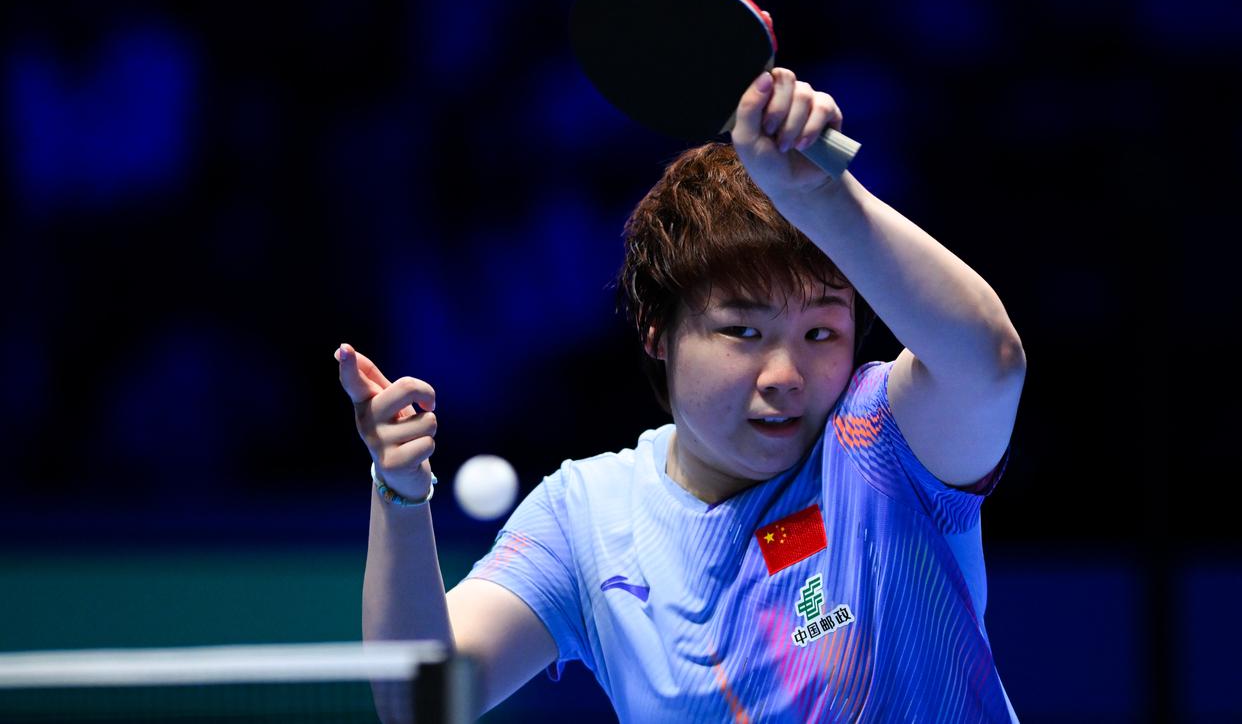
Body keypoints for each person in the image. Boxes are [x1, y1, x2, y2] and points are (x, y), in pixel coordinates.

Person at [336, 68, 1025, 722]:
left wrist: (823, 198)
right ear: (657, 331)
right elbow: (422, 703)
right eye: (743, 331)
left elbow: (990, 362)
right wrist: (400, 494)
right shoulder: (590, 519)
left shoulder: (880, 449)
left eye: (820, 333)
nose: (785, 373)